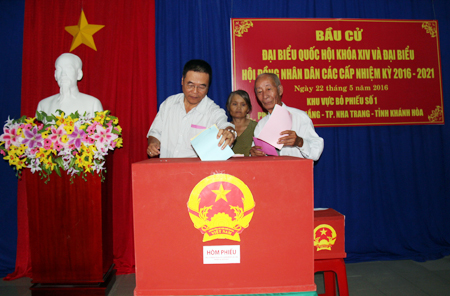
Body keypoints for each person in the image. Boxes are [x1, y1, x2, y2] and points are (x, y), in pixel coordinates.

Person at [147, 59, 236, 158]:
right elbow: (155, 133)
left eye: (201, 87)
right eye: (190, 85)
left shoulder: (213, 111)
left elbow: (225, 125)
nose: (195, 91)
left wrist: (230, 132)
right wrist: (153, 144)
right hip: (164, 169)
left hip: (195, 172)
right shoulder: (169, 104)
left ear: (208, 87)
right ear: (182, 81)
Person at [250, 73, 324, 161]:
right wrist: (253, 153)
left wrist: (300, 142)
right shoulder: (261, 125)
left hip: (297, 173)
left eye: (268, 89)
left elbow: (315, 154)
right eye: (259, 92)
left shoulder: (299, 117)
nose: (265, 96)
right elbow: (257, 156)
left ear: (280, 90)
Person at [36, 53, 103, 116]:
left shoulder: (92, 104)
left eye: (69, 68)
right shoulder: (44, 105)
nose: (63, 74)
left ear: (79, 74)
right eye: (59, 69)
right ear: (55, 74)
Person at [226, 90, 257, 156]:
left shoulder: (256, 127)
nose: (239, 108)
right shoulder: (224, 129)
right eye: (235, 104)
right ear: (228, 107)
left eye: (243, 105)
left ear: (248, 108)